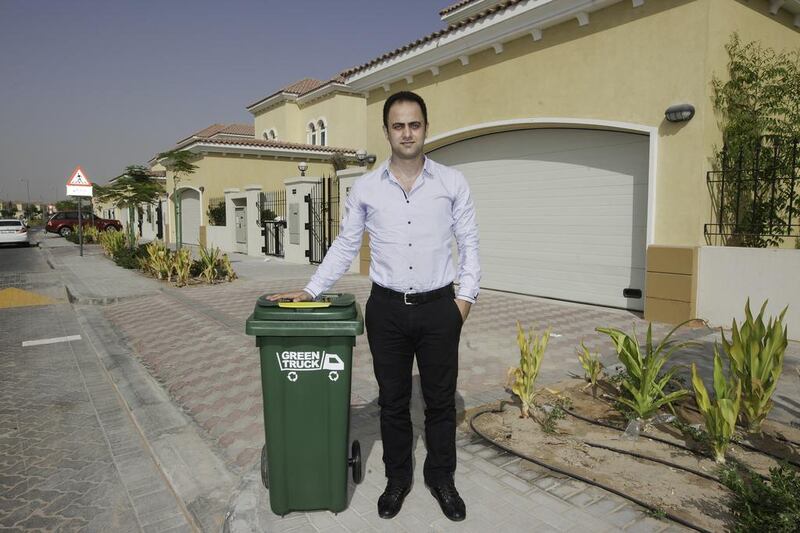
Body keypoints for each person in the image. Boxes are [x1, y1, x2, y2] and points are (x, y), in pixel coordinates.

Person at [269, 91, 480, 522]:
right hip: (386, 310)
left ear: (426, 127)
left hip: (440, 307)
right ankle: (397, 479)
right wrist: (311, 290)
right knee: (393, 401)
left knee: (440, 404)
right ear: (386, 131)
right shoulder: (366, 188)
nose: (407, 132)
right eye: (398, 125)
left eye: (414, 124)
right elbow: (346, 245)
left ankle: (442, 478)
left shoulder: (452, 183)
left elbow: (470, 244)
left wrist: (464, 301)